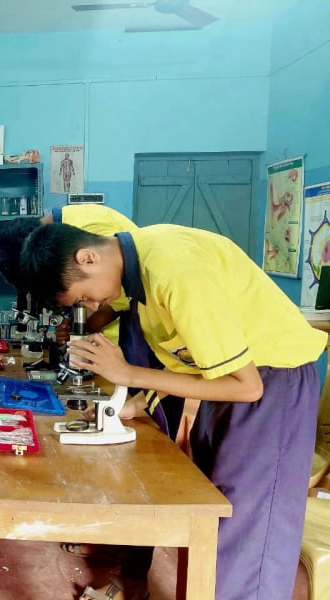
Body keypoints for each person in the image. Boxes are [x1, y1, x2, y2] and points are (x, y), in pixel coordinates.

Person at [19, 222, 327, 600]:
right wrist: (136, 402)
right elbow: (184, 360)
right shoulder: (136, 276)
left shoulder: (173, 270)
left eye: (84, 297)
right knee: (213, 520)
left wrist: (128, 374)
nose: (94, 307)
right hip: (225, 388)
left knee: (250, 540)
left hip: (270, 386)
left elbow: (248, 387)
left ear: (87, 258)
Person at [0, 209, 185, 600]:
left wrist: (93, 334)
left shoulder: (91, 235)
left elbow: (117, 297)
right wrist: (79, 328)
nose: (86, 302)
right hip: (133, 341)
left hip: (153, 345)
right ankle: (112, 535)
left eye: (78, 297)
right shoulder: (72, 240)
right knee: (123, 439)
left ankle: (134, 577)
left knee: (146, 455)